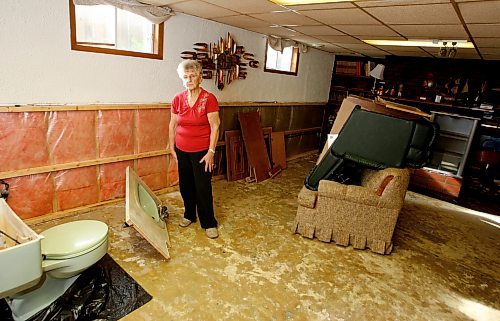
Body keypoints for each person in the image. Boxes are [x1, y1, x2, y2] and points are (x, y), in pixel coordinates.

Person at [169, 60, 220, 239]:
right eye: (185, 77)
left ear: (200, 77)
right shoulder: (177, 99)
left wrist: (211, 152)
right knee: (185, 185)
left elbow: (215, 126)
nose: (189, 79)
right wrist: (171, 146)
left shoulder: (209, 98)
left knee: (203, 187)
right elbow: (173, 124)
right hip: (182, 148)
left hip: (202, 151)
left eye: (192, 76)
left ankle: (209, 222)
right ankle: (189, 214)